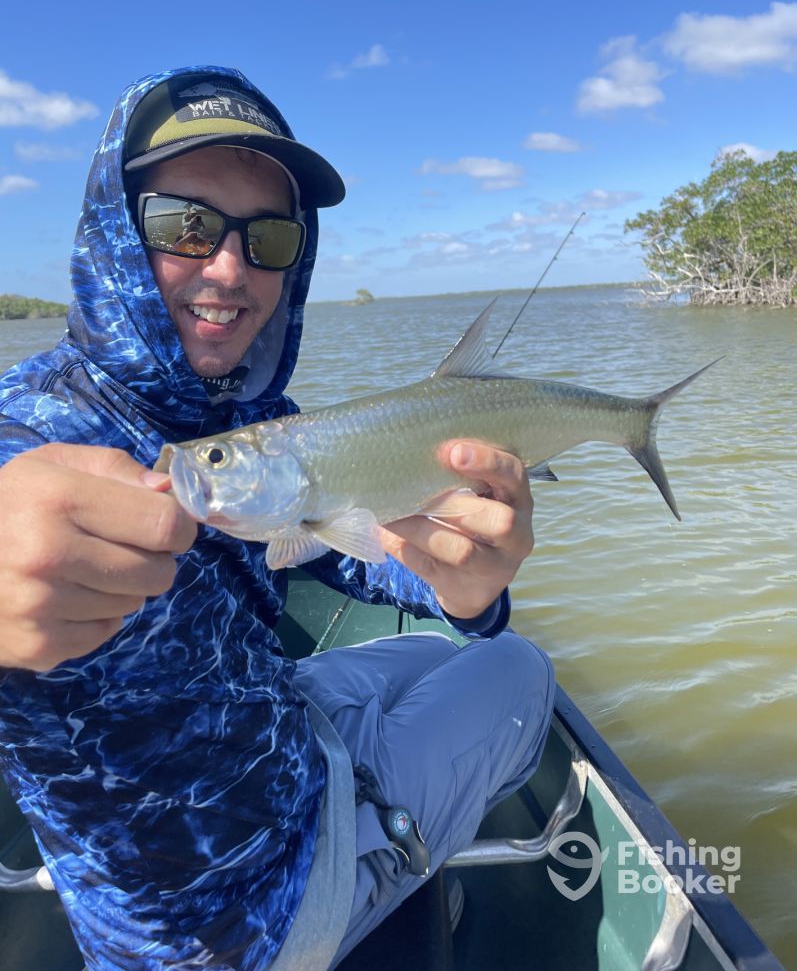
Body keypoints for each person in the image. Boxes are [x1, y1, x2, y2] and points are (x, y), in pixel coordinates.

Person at [0, 67, 555, 969]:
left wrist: (469, 585)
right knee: (522, 673)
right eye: (185, 225)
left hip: (281, 732)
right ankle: (392, 871)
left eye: (268, 237)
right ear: (113, 234)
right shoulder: (25, 429)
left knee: (461, 643)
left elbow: (358, 554)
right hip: (237, 923)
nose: (229, 268)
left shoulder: (257, 421)